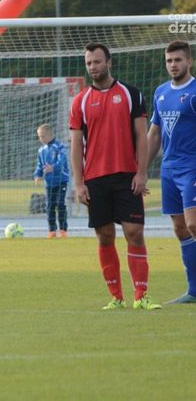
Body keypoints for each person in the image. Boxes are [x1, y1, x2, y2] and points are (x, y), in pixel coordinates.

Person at [69, 43, 161, 310]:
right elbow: (76, 145)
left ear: (109, 63)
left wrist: (142, 173)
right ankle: (116, 297)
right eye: (89, 63)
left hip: (126, 176)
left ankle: (141, 295)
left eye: (97, 61)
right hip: (95, 178)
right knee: (105, 235)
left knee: (134, 232)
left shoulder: (131, 94)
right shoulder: (80, 101)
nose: (93, 67)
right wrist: (79, 183)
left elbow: (141, 137)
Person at [148, 40, 196, 304]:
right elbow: (154, 134)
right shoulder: (161, 92)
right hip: (168, 169)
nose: (173, 65)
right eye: (169, 61)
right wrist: (141, 170)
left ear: (189, 61)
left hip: (192, 167)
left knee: (193, 223)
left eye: (178, 60)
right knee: (180, 228)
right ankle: (193, 290)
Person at [33, 123, 69, 238]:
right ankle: (52, 230)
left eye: (42, 136)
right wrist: (37, 175)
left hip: (61, 181)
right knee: (50, 206)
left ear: (50, 135)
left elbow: (62, 161)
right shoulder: (41, 150)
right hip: (49, 183)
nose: (40, 139)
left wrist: (53, 167)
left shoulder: (60, 147)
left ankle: (63, 230)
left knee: (60, 204)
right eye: (39, 136)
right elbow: (40, 165)